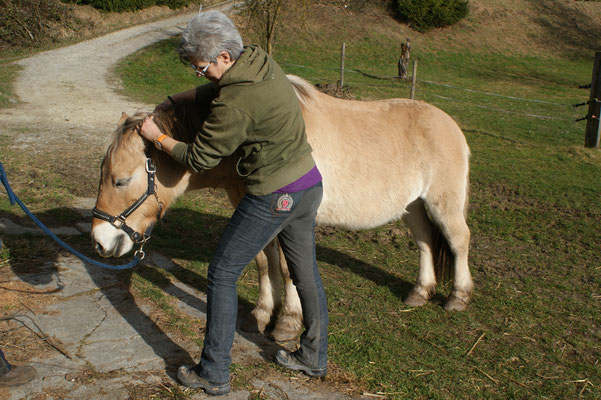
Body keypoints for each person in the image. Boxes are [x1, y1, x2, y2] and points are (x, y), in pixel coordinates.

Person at [139, 11, 328, 396]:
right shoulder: (259, 59)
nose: (199, 74)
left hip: (276, 194)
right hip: (309, 182)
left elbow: (199, 159)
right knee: (305, 270)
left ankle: (213, 371)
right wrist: (176, 100)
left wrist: (157, 137)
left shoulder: (236, 103)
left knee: (222, 272)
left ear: (224, 56)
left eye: (201, 66)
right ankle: (314, 357)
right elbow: (218, 90)